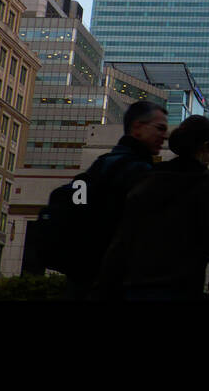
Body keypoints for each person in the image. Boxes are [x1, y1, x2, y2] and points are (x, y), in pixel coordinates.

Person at [95, 116, 209, 301]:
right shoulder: (207, 185)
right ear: (205, 147)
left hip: (135, 288)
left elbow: (121, 243)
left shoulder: (147, 181)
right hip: (180, 288)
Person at [63, 100, 167, 299]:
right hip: (119, 285)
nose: (164, 136)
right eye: (160, 128)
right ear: (137, 127)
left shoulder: (99, 166)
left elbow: (78, 211)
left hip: (83, 281)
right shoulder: (140, 172)